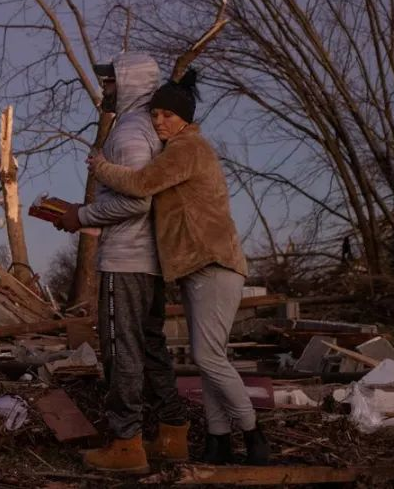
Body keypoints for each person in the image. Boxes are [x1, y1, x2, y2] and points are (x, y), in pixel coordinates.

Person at [87, 70, 272, 466]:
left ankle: (254, 433)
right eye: (155, 115)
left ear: (185, 118)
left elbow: (139, 186)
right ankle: (219, 441)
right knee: (209, 357)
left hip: (214, 264)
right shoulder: (177, 147)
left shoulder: (188, 149)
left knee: (208, 359)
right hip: (195, 268)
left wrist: (99, 165)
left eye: (168, 116)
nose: (159, 123)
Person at [55, 52, 187, 474]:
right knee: (150, 346)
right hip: (149, 260)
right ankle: (172, 434)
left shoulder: (129, 133)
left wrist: (82, 216)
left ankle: (126, 443)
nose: (104, 90)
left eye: (110, 82)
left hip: (126, 259)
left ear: (128, 83)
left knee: (121, 349)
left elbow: (136, 199)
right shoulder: (150, 129)